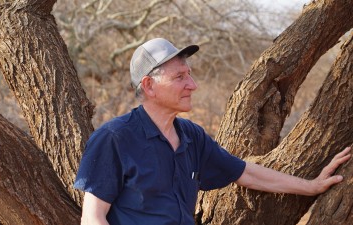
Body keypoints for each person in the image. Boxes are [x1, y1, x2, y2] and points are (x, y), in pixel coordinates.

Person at [73, 38, 351, 225]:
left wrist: (311, 186)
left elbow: (246, 173)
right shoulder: (114, 138)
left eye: (190, 75)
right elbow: (93, 219)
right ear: (149, 86)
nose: (192, 85)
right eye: (180, 77)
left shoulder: (191, 137)